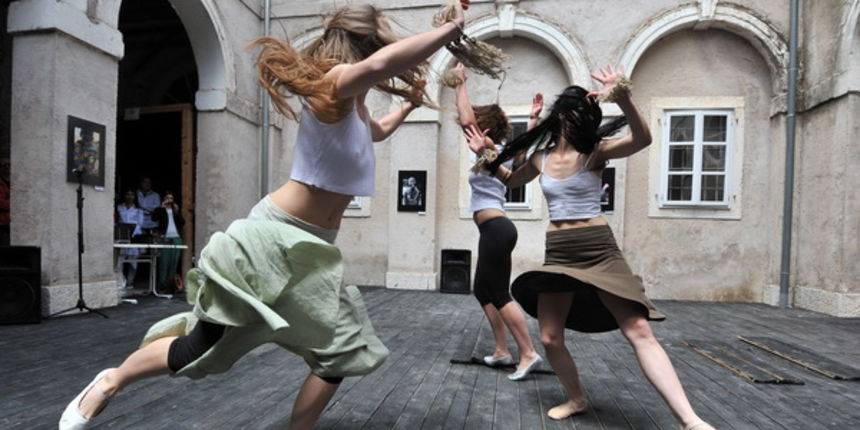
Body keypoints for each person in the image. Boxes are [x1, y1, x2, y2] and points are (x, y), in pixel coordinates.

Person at [59, 2, 473, 429]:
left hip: (312, 252)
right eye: (375, 53)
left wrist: (409, 104)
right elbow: (385, 62)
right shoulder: (331, 86)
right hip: (273, 237)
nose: (382, 66)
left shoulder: (358, 111)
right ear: (364, 49)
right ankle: (111, 380)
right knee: (201, 348)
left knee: (340, 352)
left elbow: (378, 131)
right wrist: (451, 31)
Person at [465, 64, 714, 430]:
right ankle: (577, 398)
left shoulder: (595, 152)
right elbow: (511, 179)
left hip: (598, 249)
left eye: (586, 111)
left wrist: (623, 96)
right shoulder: (542, 157)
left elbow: (643, 139)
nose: (579, 117)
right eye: (574, 110)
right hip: (560, 252)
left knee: (639, 330)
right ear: (562, 114)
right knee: (550, 338)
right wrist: (487, 154)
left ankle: (690, 420)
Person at [451, 62, 542, 380]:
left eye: (476, 125)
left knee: (500, 294)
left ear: (484, 127)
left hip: (496, 229)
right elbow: (522, 153)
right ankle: (502, 351)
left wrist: (460, 84)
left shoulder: (489, 151)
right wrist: (532, 121)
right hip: (496, 229)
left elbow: (466, 120)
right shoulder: (501, 150)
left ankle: (528, 353)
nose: (470, 129)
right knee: (483, 290)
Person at [151, 190, 184, 292]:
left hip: (176, 237)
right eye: (167, 198)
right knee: (164, 262)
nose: (170, 200)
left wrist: (177, 212)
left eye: (171, 199)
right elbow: (154, 218)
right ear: (164, 199)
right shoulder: (160, 210)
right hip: (165, 238)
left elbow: (182, 222)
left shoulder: (175, 210)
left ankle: (171, 285)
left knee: (174, 262)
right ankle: (162, 285)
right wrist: (162, 207)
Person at [115, 190, 144, 288]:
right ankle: (120, 280)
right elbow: (118, 220)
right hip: (121, 236)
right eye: (127, 194)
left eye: (131, 194)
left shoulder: (138, 210)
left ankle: (130, 281)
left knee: (133, 260)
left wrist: (132, 233)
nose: (129, 196)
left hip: (134, 237)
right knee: (120, 260)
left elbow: (140, 224)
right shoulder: (119, 207)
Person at [0, 156, 9, 246]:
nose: (7, 167)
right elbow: (1, 203)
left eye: (9, 165)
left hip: (6, 223)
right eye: (4, 165)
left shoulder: (6, 181)